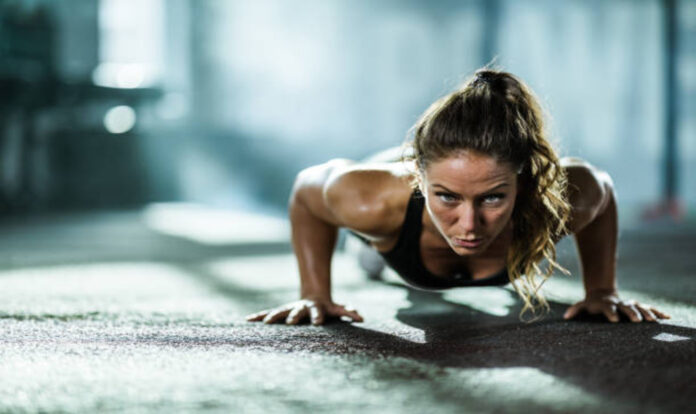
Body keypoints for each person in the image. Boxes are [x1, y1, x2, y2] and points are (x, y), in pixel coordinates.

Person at [246, 69, 671, 326]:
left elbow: (604, 190)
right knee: (372, 258)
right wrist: (315, 294)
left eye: (491, 199)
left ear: (522, 185)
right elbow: (306, 191)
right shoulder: (369, 200)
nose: (469, 226)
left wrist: (602, 290)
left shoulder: (560, 196)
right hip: (393, 228)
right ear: (420, 180)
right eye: (448, 198)